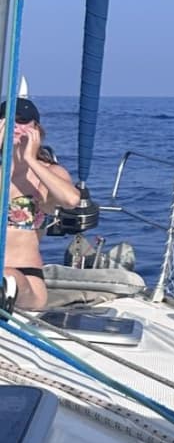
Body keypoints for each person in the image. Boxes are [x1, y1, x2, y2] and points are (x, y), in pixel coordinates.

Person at [1, 98, 80, 311]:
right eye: (8, 120)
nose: (15, 126)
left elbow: (71, 200)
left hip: (24, 276)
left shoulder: (49, 173)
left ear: (36, 129)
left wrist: (31, 160)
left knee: (9, 278)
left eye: (22, 121)